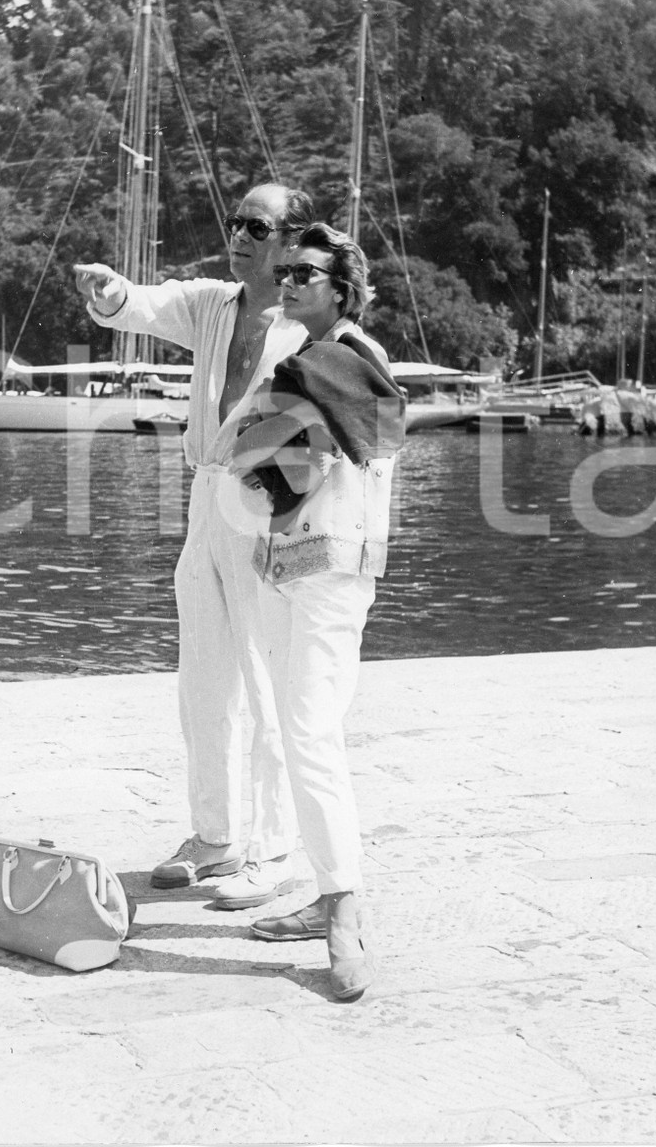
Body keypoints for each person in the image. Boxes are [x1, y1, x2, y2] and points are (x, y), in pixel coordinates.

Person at [72, 183, 313, 908]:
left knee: (270, 680)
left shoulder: (312, 326)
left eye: (256, 225)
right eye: (234, 221)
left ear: (291, 241)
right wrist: (111, 290)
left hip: (273, 503)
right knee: (204, 676)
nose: (236, 233)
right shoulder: (213, 304)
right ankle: (216, 836)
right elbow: (143, 304)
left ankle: (277, 850)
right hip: (207, 496)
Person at [227, 223, 406, 1000]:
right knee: (296, 733)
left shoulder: (349, 359)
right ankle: (328, 895)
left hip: (332, 568)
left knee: (308, 731)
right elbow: (241, 446)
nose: (289, 278)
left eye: (307, 272)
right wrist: (276, 424)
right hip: (286, 561)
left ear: (341, 289)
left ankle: (342, 912)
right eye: (286, 269)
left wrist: (277, 421)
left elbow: (347, 437)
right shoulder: (304, 362)